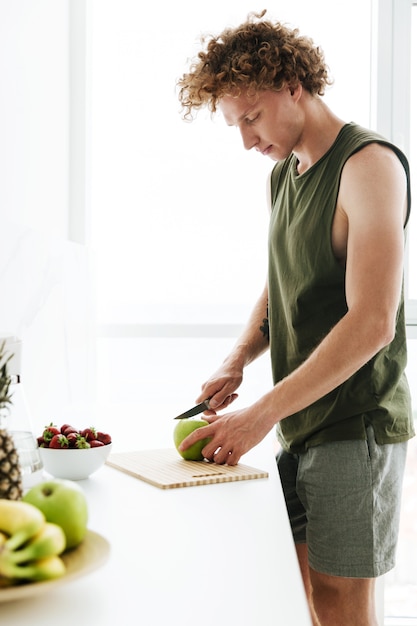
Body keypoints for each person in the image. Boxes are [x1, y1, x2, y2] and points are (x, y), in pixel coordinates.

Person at [176, 10, 414, 626]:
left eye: (251, 118)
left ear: (293, 85)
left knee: (341, 602)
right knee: (306, 593)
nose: (247, 141)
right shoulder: (285, 175)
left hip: (354, 422)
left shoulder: (368, 166)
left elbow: (373, 323)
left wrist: (258, 415)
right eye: (236, 125)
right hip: (301, 422)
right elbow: (285, 278)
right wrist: (237, 360)